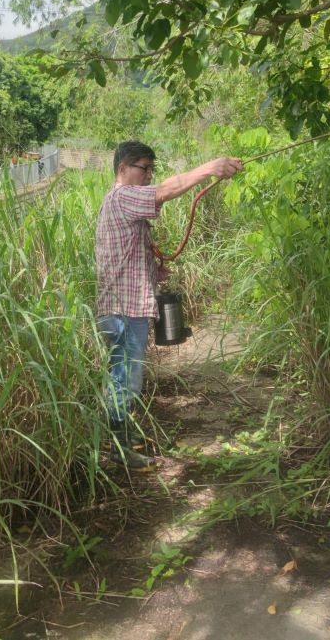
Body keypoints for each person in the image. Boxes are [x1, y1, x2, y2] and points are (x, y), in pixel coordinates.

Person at [95, 141, 244, 470]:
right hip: (123, 311)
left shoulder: (121, 203)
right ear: (123, 169)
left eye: (151, 169)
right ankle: (118, 452)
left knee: (124, 377)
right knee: (124, 379)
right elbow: (164, 191)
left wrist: (154, 269)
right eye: (143, 168)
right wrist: (209, 168)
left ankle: (122, 438)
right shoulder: (121, 195)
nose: (148, 175)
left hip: (125, 307)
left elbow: (122, 255)